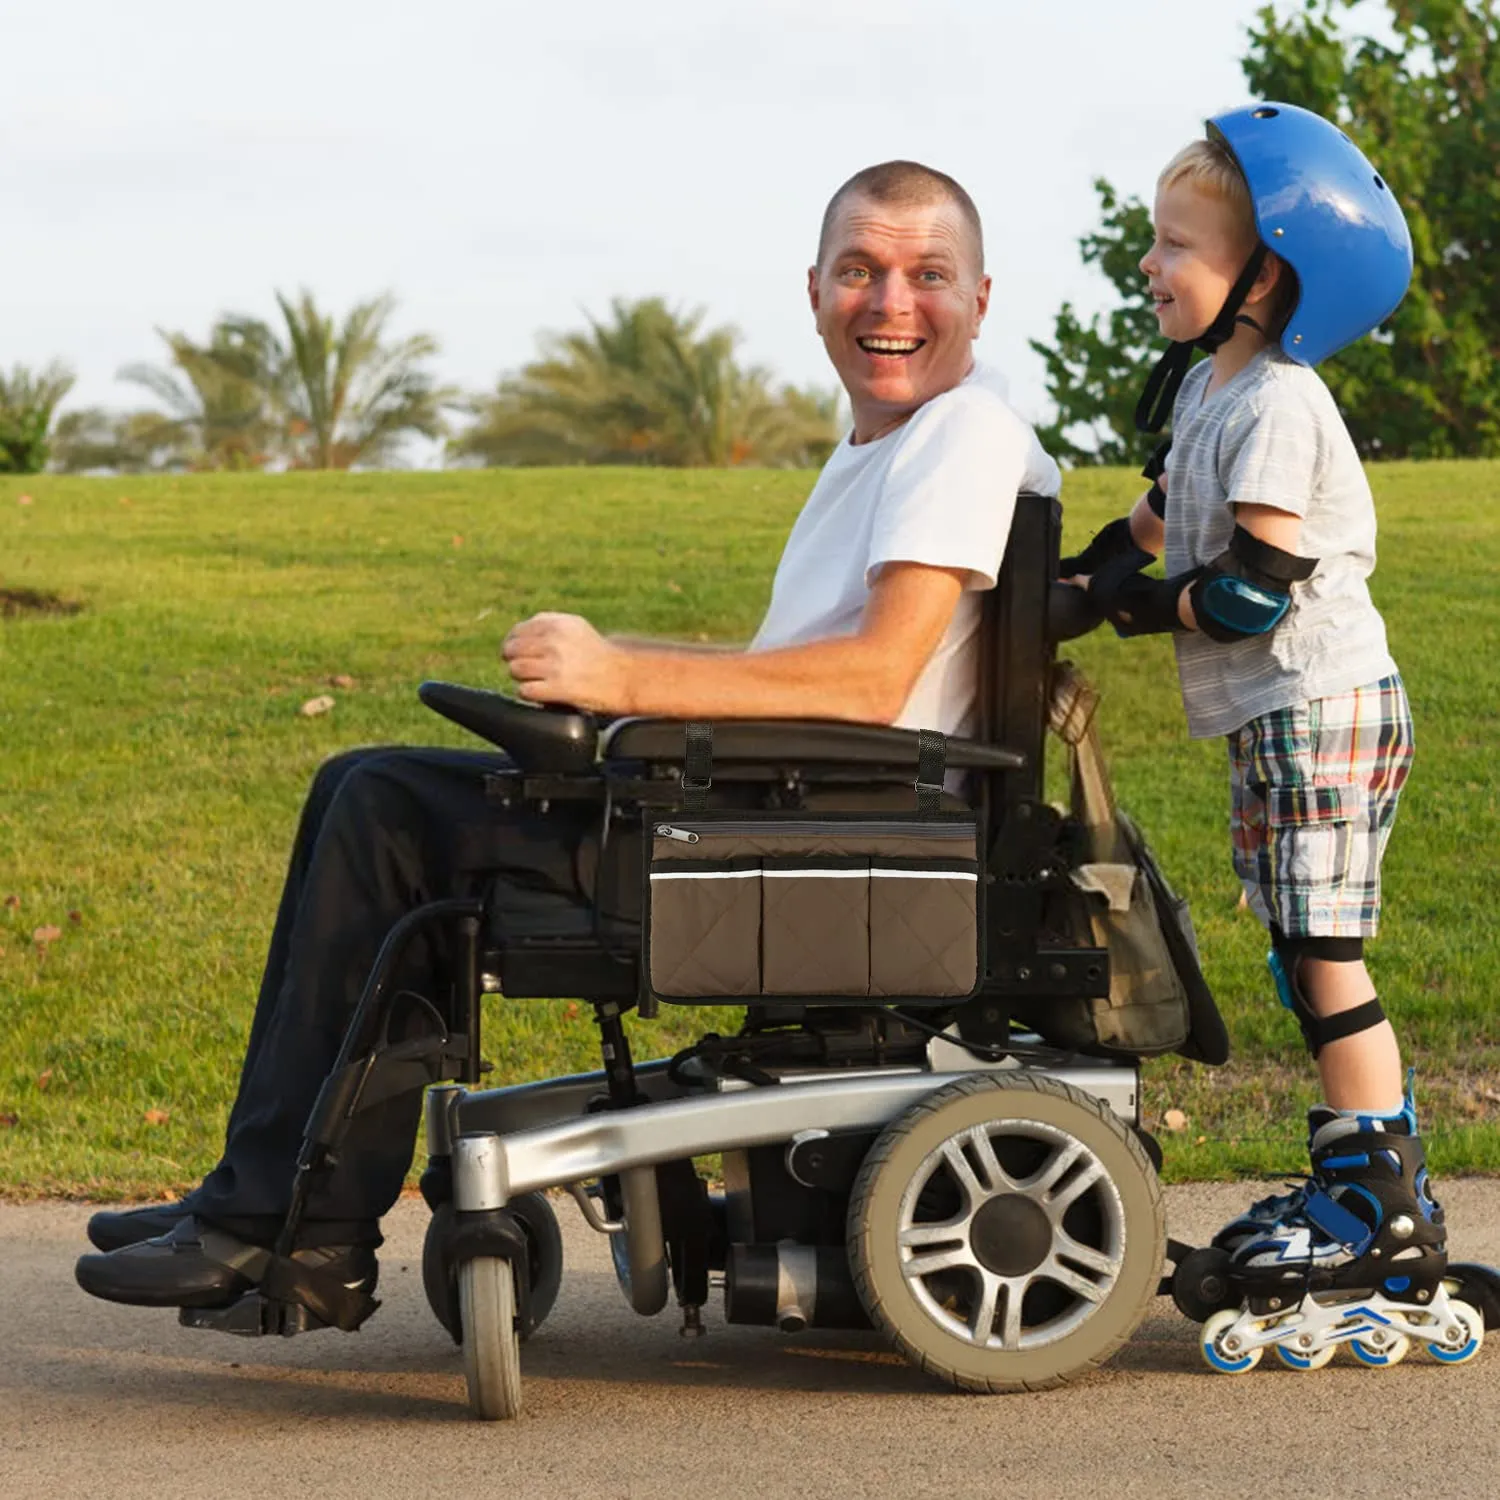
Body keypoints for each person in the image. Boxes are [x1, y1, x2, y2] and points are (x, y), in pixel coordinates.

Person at [76, 160, 1062, 1314]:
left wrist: (623, 677)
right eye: (861, 271)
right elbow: (788, 675)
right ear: (813, 290)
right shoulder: (890, 449)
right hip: (791, 811)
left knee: (387, 813)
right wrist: (608, 687)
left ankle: (286, 1225)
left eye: (926, 275)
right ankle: (260, 1203)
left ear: (980, 300)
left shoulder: (960, 437)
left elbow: (876, 676)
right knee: (363, 788)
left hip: (834, 838)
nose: (891, 301)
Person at [1061, 103, 1444, 1322]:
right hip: (1285, 716)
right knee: (1300, 948)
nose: (1150, 264)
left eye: (1176, 244)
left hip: (1320, 701)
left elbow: (1244, 593)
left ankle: (1379, 1200)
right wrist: (1066, 587)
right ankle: (1360, 1177)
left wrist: (1134, 613)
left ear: (1266, 277)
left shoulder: (1282, 403)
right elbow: (1158, 530)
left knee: (1324, 953)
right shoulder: (1214, 391)